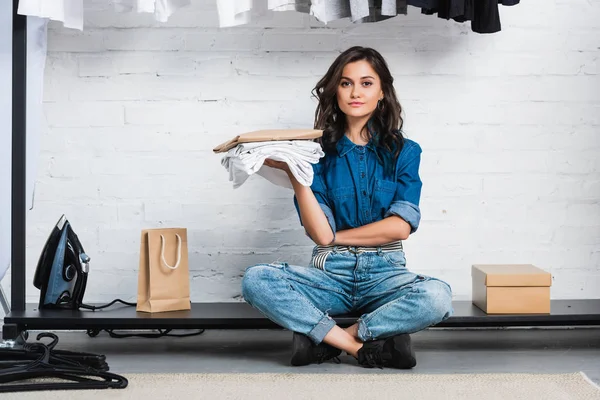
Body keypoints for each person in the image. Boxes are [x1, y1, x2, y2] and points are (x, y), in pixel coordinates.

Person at [241, 46, 453, 369]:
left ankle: (333, 338)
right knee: (255, 279)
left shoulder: (406, 152)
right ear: (335, 91)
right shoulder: (316, 155)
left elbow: (400, 228)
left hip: (386, 274)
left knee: (438, 296)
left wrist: (337, 238)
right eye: (346, 83)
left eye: (366, 83)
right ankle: (363, 344)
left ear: (382, 92)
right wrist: (295, 171)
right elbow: (319, 234)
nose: (356, 92)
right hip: (330, 276)